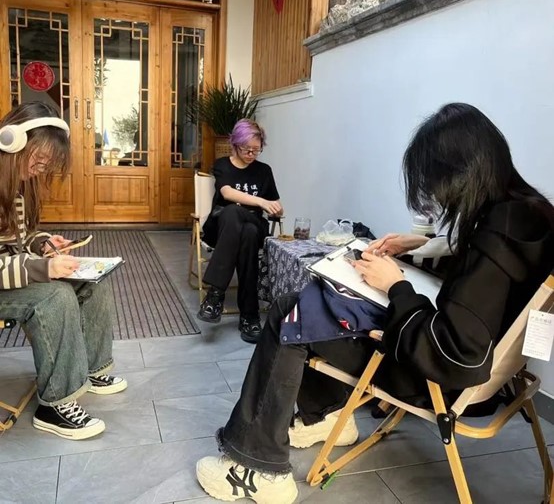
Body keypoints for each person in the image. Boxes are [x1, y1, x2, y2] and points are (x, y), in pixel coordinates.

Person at [195, 103, 554, 503]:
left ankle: (257, 467)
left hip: (435, 380)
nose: (439, 197)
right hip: (497, 381)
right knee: (323, 305)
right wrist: (422, 246)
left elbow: (454, 353)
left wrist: (396, 286)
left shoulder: (497, 235)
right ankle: (322, 416)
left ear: (462, 174)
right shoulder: (528, 216)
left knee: (290, 312)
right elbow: (483, 285)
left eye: (439, 185)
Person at [0, 101, 127, 441]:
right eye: (37, 159)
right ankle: (55, 405)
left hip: (12, 274)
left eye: (46, 163)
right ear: (11, 140)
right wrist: (42, 267)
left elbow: (18, 239)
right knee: (54, 295)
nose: (40, 169)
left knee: (90, 282)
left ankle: (93, 369)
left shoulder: (17, 183)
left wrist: (42, 243)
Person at [197, 119, 283, 343]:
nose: (252, 154)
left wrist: (276, 207)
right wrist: (261, 202)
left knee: (247, 226)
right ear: (235, 144)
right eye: (247, 149)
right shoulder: (222, 165)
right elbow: (227, 193)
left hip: (254, 222)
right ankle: (249, 316)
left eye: (257, 149)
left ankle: (215, 296)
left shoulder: (264, 171)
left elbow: (277, 205)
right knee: (239, 221)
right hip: (222, 228)